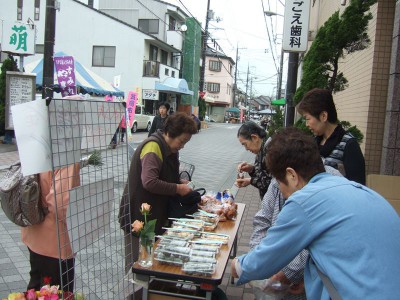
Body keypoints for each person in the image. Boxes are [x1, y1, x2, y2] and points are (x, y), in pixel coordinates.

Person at [231, 128, 400, 299]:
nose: (281, 192)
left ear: (291, 175)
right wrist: (312, 278)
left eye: (280, 183)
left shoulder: (307, 199)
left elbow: (266, 257)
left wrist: (237, 265)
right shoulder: (357, 190)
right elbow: (346, 253)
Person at [119, 112, 198, 272]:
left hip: (154, 214)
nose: (182, 146)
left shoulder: (169, 148)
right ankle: (135, 296)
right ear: (170, 133)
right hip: (139, 217)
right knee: (138, 264)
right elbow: (149, 182)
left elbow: (164, 176)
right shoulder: (153, 147)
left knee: (151, 262)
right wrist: (177, 188)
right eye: (182, 141)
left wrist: (179, 182)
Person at [250, 165, 341, 300]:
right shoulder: (278, 180)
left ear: (292, 174)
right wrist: (259, 257)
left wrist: (289, 273)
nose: (278, 185)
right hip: (279, 271)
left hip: (313, 280)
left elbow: (320, 238)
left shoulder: (331, 184)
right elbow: (262, 219)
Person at [21, 163, 81, 293]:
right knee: (56, 292)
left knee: (36, 288)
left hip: (33, 233)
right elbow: (60, 206)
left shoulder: (38, 147)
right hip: (56, 243)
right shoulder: (66, 155)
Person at [297, 88, 366, 184]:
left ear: (323, 116)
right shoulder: (312, 144)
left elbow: (358, 187)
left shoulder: (349, 145)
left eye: (307, 118)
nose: (306, 124)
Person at [235, 121, 272, 199]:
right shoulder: (262, 149)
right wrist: (251, 169)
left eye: (245, 144)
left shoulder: (270, 151)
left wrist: (250, 181)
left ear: (254, 138)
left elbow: (271, 183)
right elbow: (264, 173)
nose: (246, 148)